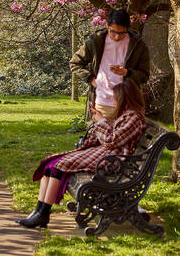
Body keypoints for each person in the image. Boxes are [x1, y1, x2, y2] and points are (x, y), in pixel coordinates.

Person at [16, 80, 147, 229]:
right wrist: (99, 121)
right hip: (105, 153)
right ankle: (38, 211)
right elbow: (111, 136)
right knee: (50, 165)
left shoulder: (134, 118)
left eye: (116, 97)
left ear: (125, 98)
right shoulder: (127, 115)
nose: (113, 100)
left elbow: (112, 140)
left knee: (57, 167)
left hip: (112, 160)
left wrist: (101, 122)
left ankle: (43, 213)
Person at [70, 8, 150, 123]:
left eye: (121, 33)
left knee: (123, 140)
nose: (117, 36)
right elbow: (75, 63)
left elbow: (144, 75)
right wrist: (91, 79)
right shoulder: (95, 42)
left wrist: (127, 73)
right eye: (113, 32)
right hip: (102, 103)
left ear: (128, 28)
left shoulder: (139, 45)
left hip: (128, 105)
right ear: (107, 26)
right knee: (101, 139)